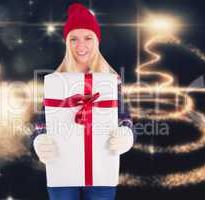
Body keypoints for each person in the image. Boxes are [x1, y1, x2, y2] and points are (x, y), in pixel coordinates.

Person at [30, 3, 136, 200]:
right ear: (67, 43)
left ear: (96, 41)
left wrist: (126, 134)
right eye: (74, 39)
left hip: (101, 172)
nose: (81, 45)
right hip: (62, 171)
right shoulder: (56, 81)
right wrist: (39, 139)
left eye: (88, 37)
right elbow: (42, 122)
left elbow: (124, 118)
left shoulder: (110, 81)